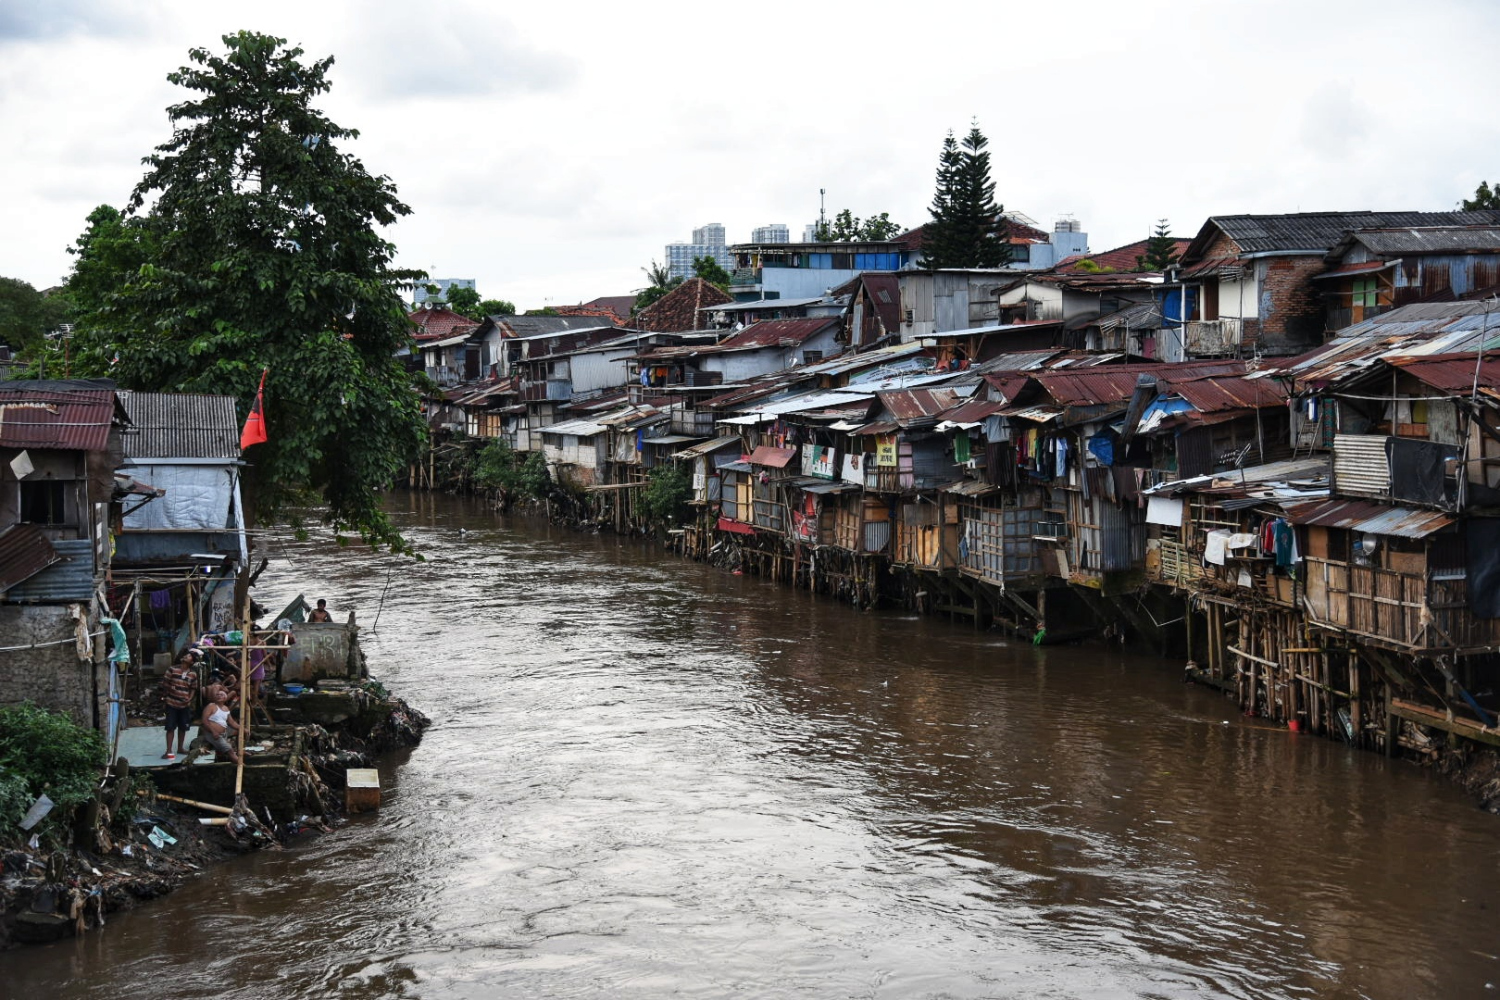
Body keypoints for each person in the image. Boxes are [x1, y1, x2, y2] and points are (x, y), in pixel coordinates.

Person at [159, 652, 199, 760]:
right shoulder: (172, 669)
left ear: (192, 662)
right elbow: (164, 683)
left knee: (183, 727)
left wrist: (190, 698)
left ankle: (180, 748)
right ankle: (168, 750)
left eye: (189, 656)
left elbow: (193, 688)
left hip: (184, 705)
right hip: (171, 703)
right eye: (187, 655)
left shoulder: (193, 674)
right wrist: (170, 689)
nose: (186, 656)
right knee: (170, 727)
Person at [200, 684, 243, 766]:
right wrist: (213, 731)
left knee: (239, 732)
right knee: (229, 750)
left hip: (224, 733)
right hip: (213, 734)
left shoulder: (226, 708)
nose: (219, 696)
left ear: (225, 698)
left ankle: (240, 751)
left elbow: (232, 723)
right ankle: (242, 765)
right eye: (217, 695)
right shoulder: (211, 706)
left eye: (221, 695)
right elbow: (204, 721)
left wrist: (243, 729)